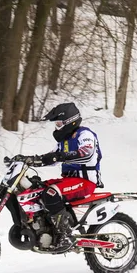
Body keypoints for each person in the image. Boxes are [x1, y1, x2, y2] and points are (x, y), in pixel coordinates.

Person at [32, 102, 103, 247]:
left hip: (85, 181)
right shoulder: (64, 141)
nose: (57, 128)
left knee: (51, 193)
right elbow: (52, 157)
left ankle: (65, 235)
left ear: (70, 121)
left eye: (58, 124)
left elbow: (87, 153)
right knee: (36, 188)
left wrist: (61, 157)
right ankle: (45, 228)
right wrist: (31, 160)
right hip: (70, 181)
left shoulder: (84, 134)